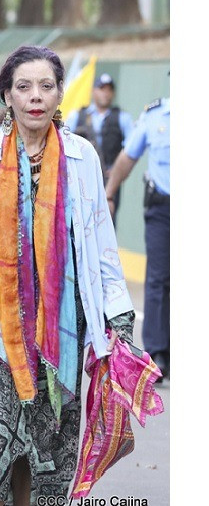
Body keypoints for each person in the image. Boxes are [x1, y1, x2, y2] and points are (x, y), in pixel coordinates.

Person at [0, 45, 135, 505]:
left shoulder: (82, 157)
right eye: (24, 86)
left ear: (60, 95)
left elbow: (101, 243)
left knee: (45, 452)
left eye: (46, 86)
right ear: (7, 96)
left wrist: (118, 315)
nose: (35, 96)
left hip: (62, 332)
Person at [104, 96, 170, 381]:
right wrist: (109, 193)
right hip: (162, 210)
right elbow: (128, 157)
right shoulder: (155, 115)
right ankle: (158, 354)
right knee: (158, 279)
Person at [65, 73, 133, 216]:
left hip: (108, 179)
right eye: (102, 89)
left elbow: (130, 147)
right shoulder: (78, 115)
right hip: (81, 177)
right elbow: (64, 141)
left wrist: (117, 169)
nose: (106, 93)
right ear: (93, 91)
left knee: (106, 221)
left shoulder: (122, 117)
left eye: (109, 90)